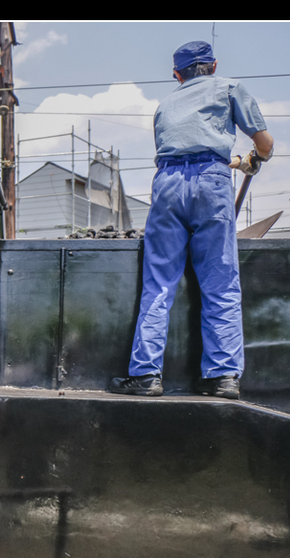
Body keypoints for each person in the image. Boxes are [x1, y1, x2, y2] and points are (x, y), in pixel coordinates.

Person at [110, 41, 273, 400]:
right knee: (221, 284)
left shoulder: (165, 104)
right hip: (212, 186)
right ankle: (222, 377)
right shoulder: (229, 87)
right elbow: (263, 143)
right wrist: (252, 159)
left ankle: (146, 376)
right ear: (213, 66)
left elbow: (185, 152)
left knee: (159, 285)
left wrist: (224, 161)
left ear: (176, 75)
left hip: (167, 184)